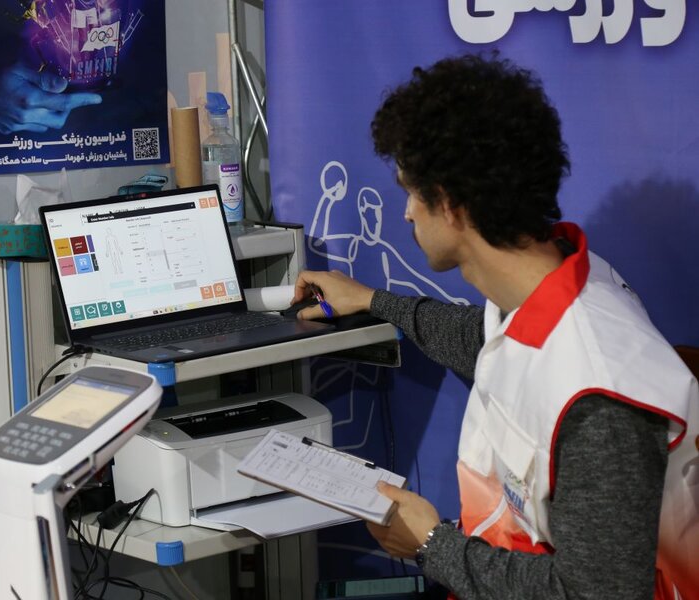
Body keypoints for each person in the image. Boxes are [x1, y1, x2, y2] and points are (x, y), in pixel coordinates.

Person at [292, 53, 698, 599]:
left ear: (452, 206)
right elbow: (482, 340)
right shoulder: (550, 285)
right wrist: (371, 300)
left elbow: (596, 593)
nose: (406, 213)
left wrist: (431, 544)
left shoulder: (599, 399)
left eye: (411, 192)